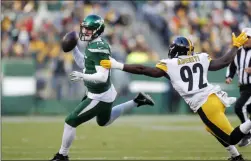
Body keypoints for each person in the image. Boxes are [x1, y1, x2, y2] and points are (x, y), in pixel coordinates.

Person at [101, 32, 250, 161]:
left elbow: (143, 69)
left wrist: (118, 65)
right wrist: (235, 45)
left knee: (232, 137)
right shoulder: (200, 57)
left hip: (204, 104)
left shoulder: (170, 64)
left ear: (176, 49)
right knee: (211, 129)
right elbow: (223, 62)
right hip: (215, 98)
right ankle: (236, 156)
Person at [50, 14, 154, 161]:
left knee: (70, 121)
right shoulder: (93, 45)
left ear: (97, 31)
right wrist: (74, 50)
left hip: (98, 96)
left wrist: (82, 76)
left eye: (88, 29)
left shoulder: (98, 48)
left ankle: (62, 155)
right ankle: (138, 101)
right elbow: (85, 64)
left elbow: (102, 76)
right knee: (104, 121)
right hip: (103, 93)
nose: (84, 32)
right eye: (84, 28)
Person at [225, 28, 251, 147]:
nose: (245, 40)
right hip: (243, 87)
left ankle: (247, 134)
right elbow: (232, 66)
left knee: (240, 107)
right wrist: (230, 76)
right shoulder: (238, 52)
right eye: (244, 37)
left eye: (247, 38)